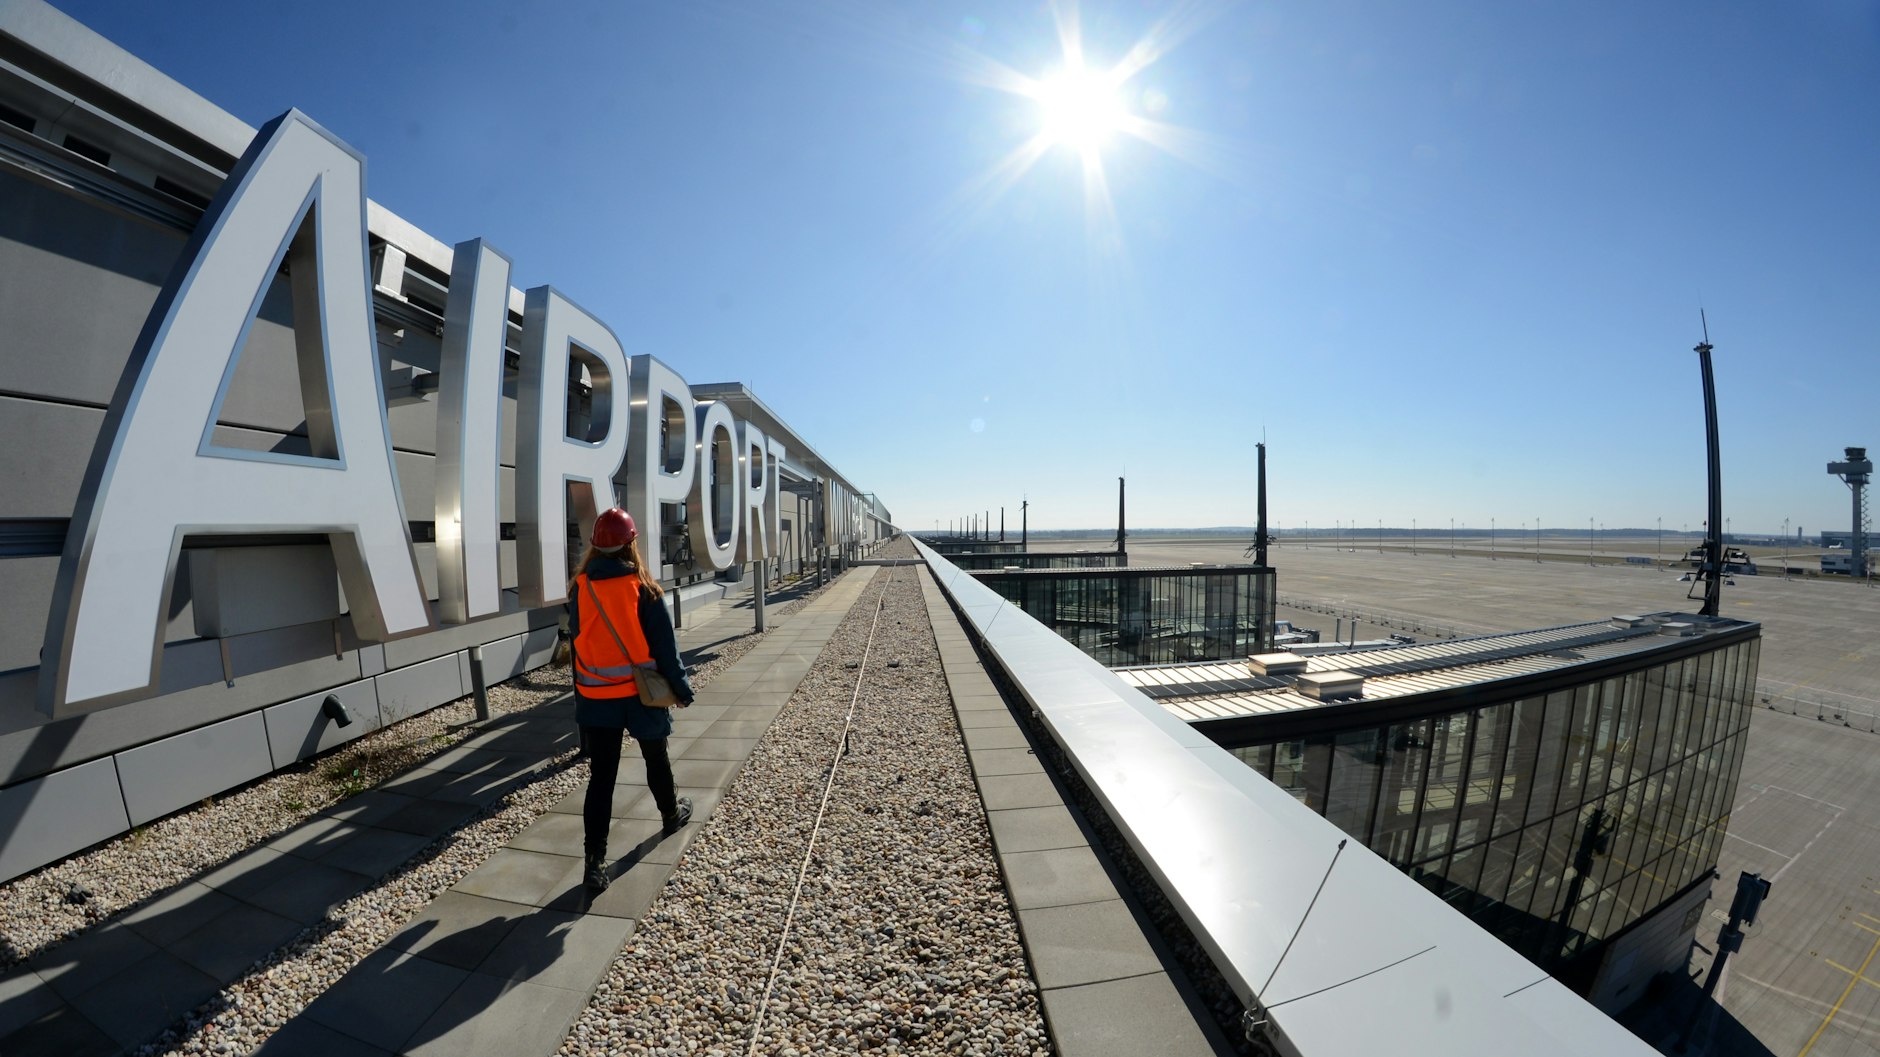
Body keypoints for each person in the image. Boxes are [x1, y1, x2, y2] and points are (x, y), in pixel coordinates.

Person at [567, 507, 695, 893]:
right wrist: (683, 691)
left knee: (601, 779)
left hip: (596, 698)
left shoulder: (580, 588)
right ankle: (671, 814)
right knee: (656, 756)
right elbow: (665, 651)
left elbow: (578, 644)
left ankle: (594, 863)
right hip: (640, 695)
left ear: (594, 547)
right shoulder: (644, 590)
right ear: (632, 544)